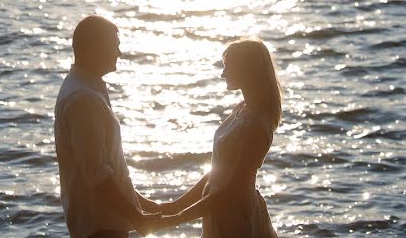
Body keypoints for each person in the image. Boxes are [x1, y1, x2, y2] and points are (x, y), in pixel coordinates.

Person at [153, 38, 281, 237]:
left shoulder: (256, 126)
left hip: (237, 217)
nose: (222, 74)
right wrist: (174, 206)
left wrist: (176, 219)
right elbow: (217, 173)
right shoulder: (242, 109)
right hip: (218, 209)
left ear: (246, 70)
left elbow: (233, 190)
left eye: (228, 68)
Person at [54, 15, 161, 238]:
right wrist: (138, 218)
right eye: (114, 46)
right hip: (99, 226)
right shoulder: (83, 99)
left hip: (103, 222)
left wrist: (143, 205)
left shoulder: (88, 87)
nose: (119, 53)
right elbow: (97, 175)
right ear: (92, 49)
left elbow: (109, 167)